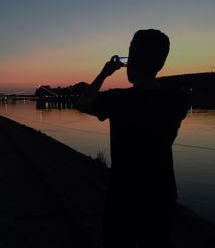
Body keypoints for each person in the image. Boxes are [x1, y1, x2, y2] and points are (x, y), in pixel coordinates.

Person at [76, 29, 189, 247]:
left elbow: (81, 103)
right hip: (161, 194)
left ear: (133, 59)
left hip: (124, 195)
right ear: (161, 62)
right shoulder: (177, 100)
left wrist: (103, 73)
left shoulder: (118, 100)